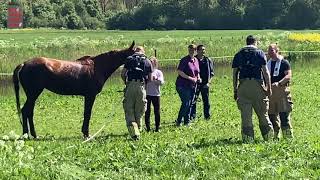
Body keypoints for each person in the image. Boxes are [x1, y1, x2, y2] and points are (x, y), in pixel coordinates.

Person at [232, 35, 274, 142]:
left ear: (246, 42)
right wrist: (268, 88)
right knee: (263, 114)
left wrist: (235, 90)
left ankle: (248, 140)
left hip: (243, 86)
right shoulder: (259, 53)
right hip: (257, 86)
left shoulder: (238, 54)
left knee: (246, 117)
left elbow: (234, 74)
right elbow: (266, 72)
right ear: (255, 42)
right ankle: (268, 138)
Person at [121, 46, 152, 140]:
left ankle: (134, 133)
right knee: (140, 109)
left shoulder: (129, 59)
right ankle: (138, 130)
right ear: (143, 51)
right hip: (141, 86)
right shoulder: (147, 61)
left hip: (130, 85)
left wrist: (126, 83)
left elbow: (123, 74)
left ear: (135, 51)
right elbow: (150, 78)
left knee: (129, 108)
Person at [267, 43, 294, 139]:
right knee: (271, 116)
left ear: (277, 50)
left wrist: (279, 83)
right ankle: (275, 136)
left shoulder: (284, 62)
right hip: (271, 93)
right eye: (268, 50)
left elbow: (288, 75)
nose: (269, 53)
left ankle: (288, 138)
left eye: (271, 50)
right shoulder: (268, 63)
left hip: (282, 92)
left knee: (284, 116)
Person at [175, 44, 200, 126]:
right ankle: (179, 121)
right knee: (186, 102)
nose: (192, 51)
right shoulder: (184, 60)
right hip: (182, 85)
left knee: (191, 103)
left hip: (192, 85)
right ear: (188, 50)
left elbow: (197, 72)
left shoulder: (196, 60)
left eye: (193, 49)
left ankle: (187, 121)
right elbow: (180, 72)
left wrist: (198, 78)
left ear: (195, 50)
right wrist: (190, 78)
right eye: (190, 49)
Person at [190, 44, 214, 120]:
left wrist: (208, 83)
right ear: (197, 51)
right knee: (193, 100)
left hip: (205, 84)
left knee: (206, 101)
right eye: (201, 49)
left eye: (204, 49)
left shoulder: (208, 60)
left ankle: (207, 116)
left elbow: (212, 73)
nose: (203, 51)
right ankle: (192, 117)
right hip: (195, 84)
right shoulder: (194, 60)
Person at [145, 57, 164, 132]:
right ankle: (148, 128)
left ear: (155, 63)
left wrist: (155, 79)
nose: (150, 63)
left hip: (156, 94)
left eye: (152, 61)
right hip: (147, 94)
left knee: (157, 111)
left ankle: (157, 127)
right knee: (147, 111)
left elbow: (161, 82)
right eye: (149, 61)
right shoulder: (146, 72)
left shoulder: (158, 72)